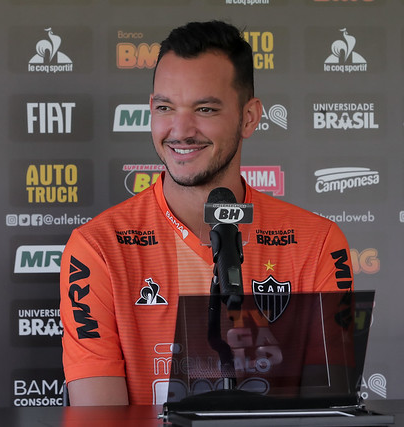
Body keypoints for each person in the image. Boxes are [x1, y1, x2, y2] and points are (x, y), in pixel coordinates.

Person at [59, 20, 354, 406]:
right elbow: (100, 418)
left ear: (249, 118)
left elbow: (330, 412)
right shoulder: (96, 248)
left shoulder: (317, 244)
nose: (180, 130)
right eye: (165, 107)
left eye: (205, 109)